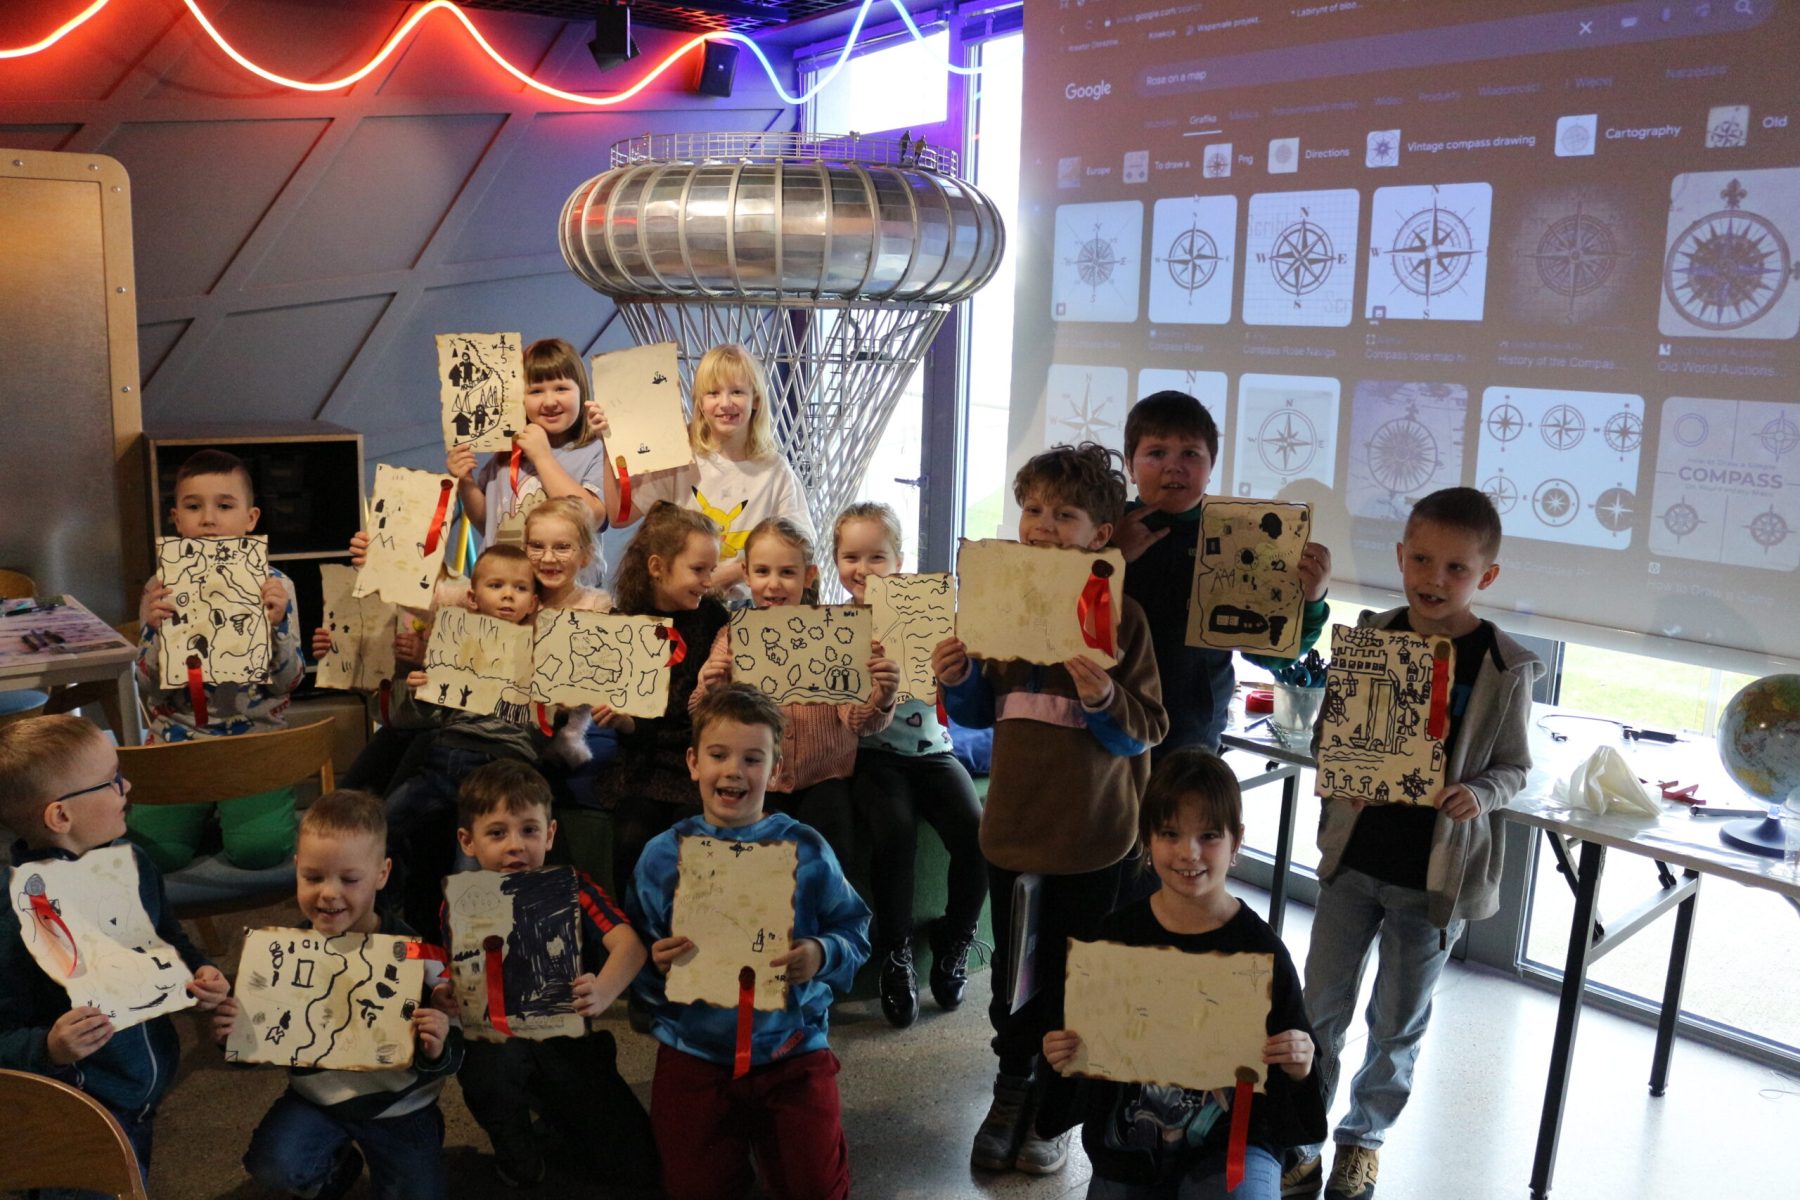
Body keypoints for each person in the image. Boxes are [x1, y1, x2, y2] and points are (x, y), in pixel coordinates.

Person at [1286, 487, 1543, 1200]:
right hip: (1354, 862)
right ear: (1400, 557)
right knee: (1320, 1009)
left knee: (1398, 1021)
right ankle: (1303, 1133)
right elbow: (1327, 737)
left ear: (1486, 576)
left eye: (1457, 568)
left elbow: (1516, 767)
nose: (1434, 579)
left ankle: (1362, 1140)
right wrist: (1344, 775)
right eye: (1422, 560)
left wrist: (1480, 793)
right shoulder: (1373, 637)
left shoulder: (1502, 664)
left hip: (1432, 880)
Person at [932, 442, 1169, 1176]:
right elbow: (980, 713)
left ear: (1101, 534)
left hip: (1093, 838)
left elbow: (1146, 730)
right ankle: (1012, 1084)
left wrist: (1103, 696)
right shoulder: (1002, 613)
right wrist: (959, 677)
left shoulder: (1124, 620)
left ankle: (1058, 1108)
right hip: (1014, 830)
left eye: (1064, 515)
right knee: (1014, 978)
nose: (1041, 526)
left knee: (1078, 979)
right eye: (1032, 510)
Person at [1038, 749, 1326, 1200]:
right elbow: (1082, 1069)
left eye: (1209, 835)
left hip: (1233, 1142)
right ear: (1148, 838)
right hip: (1132, 1142)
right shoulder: (1115, 939)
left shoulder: (1260, 950)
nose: (1189, 852)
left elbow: (1298, 1088)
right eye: (1170, 833)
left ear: (1237, 841)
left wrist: (1301, 1064)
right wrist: (1061, 1056)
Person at [631, 685, 871, 1200]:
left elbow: (855, 930)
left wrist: (821, 953)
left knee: (816, 1190)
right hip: (696, 1050)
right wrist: (654, 963)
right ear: (693, 762)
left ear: (775, 768)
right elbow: (636, 959)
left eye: (752, 758)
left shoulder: (806, 849)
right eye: (718, 755)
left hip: (790, 1049)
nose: (734, 771)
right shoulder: (661, 857)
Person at [0, 715, 230, 1179]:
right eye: (111, 781)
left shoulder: (134, 863)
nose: (127, 786)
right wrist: (47, 1048)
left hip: (142, 1082)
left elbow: (168, 940)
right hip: (76, 1108)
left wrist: (201, 973)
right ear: (61, 816)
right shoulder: (12, 914)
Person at [215, 790, 461, 1200]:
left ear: (382, 874)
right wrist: (233, 1036)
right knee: (274, 1165)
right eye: (313, 877)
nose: (328, 893)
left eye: (349, 879)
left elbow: (456, 1046)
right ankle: (335, 1170)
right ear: (296, 868)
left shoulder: (418, 955)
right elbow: (263, 1042)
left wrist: (437, 1045)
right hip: (317, 1100)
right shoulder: (279, 954)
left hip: (400, 1106)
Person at [443, 760, 658, 1193]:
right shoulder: (461, 903)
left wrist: (604, 990)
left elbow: (630, 946)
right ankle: (514, 1144)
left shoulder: (573, 888)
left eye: (529, 830)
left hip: (566, 1043)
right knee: (490, 1074)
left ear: (550, 834)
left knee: (638, 1168)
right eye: (497, 833)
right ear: (468, 841)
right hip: (497, 1045)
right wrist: (448, 994)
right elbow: (459, 974)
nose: (515, 846)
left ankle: (558, 1118)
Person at [833, 501, 987, 1030]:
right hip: (874, 757)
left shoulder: (927, 615)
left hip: (933, 752)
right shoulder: (833, 625)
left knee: (976, 833)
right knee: (894, 829)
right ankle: (895, 952)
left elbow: (956, 690)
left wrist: (955, 661)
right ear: (836, 562)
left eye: (877, 557)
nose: (863, 569)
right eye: (851, 557)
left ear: (898, 561)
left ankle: (955, 938)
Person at [1111, 391, 1333, 760]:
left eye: (1190, 454)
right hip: (1107, 721)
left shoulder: (1242, 538)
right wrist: (1109, 558)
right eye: (1156, 453)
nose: (1174, 467)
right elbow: (1060, 617)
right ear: (1130, 467)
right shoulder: (1103, 526)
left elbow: (1273, 655)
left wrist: (1312, 600)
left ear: (1211, 464)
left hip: (1190, 733)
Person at [691, 517, 899, 870]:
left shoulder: (835, 633)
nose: (774, 584)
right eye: (762, 571)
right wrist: (711, 689)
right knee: (747, 863)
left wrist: (883, 697)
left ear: (809, 575)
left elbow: (858, 722)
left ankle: (828, 907)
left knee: (832, 857)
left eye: (787, 572)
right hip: (755, 779)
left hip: (822, 777)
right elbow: (702, 719)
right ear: (746, 573)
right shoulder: (732, 637)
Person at [132, 448, 305, 871]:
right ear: (177, 520)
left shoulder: (277, 586)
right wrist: (155, 632)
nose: (208, 519)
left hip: (255, 744)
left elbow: (289, 683)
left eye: (225, 506)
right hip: (178, 743)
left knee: (260, 852)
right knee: (154, 853)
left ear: (251, 518)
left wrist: (277, 628)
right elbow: (149, 689)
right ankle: (205, 812)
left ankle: (228, 814)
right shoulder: (160, 586)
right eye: (194, 507)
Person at [382, 545, 544, 938]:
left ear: (534, 603)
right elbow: (426, 715)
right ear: (473, 597)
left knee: (470, 868)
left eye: (520, 588)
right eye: (496, 585)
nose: (508, 595)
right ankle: (388, 921)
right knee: (378, 827)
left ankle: (473, 952)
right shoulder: (453, 639)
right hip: (444, 756)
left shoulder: (540, 648)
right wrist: (421, 686)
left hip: (499, 766)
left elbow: (548, 723)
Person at [595, 344, 813, 600]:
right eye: (713, 393)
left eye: (737, 392)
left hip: (747, 605)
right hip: (681, 603)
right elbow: (619, 516)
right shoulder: (677, 456)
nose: (725, 403)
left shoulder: (774, 470)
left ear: (755, 399)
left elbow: (801, 544)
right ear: (699, 401)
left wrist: (733, 573)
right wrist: (610, 446)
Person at [595, 501, 731, 894]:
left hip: (698, 764)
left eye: (711, 569)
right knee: (632, 836)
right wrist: (622, 721)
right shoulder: (625, 624)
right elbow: (636, 729)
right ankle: (632, 925)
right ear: (657, 567)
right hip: (643, 765)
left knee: (695, 842)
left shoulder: (714, 619)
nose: (708, 580)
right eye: (698, 570)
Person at [449, 337, 610, 586]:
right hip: (505, 592)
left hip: (567, 596)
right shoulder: (506, 455)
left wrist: (542, 457)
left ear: (582, 391)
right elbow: (488, 522)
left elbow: (591, 517)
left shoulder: (595, 450)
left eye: (561, 388)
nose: (549, 401)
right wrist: (466, 482)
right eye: (535, 391)